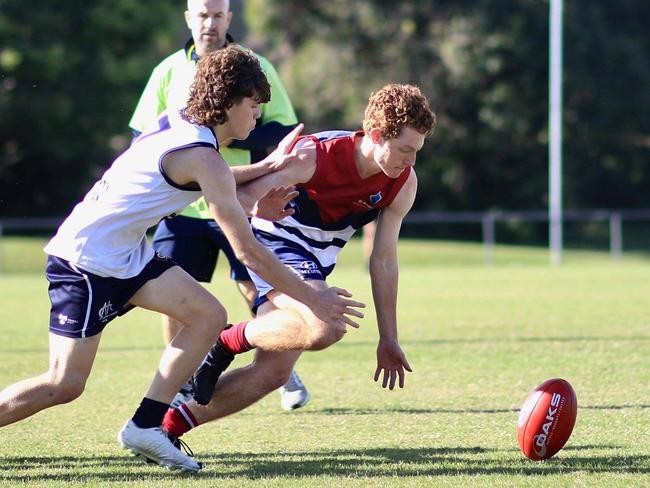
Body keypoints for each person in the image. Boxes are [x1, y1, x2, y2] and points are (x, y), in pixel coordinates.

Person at [0, 46, 364, 473]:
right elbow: (247, 249)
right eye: (252, 105)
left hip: (127, 255)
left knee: (208, 315)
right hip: (85, 261)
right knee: (64, 384)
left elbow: (218, 178)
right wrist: (311, 298)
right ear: (229, 102)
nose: (257, 116)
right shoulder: (203, 155)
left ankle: (146, 425)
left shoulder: (185, 127)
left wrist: (268, 165)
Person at [160, 84, 436, 458]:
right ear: (375, 135)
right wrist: (259, 209)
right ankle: (227, 342)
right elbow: (235, 199)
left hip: (313, 263)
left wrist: (389, 338)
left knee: (273, 373)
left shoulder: (402, 182)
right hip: (273, 247)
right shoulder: (314, 155)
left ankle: (166, 428)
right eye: (405, 149)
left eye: (417, 151)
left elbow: (383, 260)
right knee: (326, 326)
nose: (411, 161)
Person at [129, 0, 310, 411]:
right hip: (182, 207)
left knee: (256, 287)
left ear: (229, 19)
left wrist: (221, 133)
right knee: (172, 293)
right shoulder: (167, 70)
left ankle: (280, 365)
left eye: (217, 15)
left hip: (238, 200)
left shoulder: (252, 65)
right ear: (189, 18)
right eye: (202, 15)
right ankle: (179, 382)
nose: (209, 23)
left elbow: (282, 126)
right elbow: (143, 136)